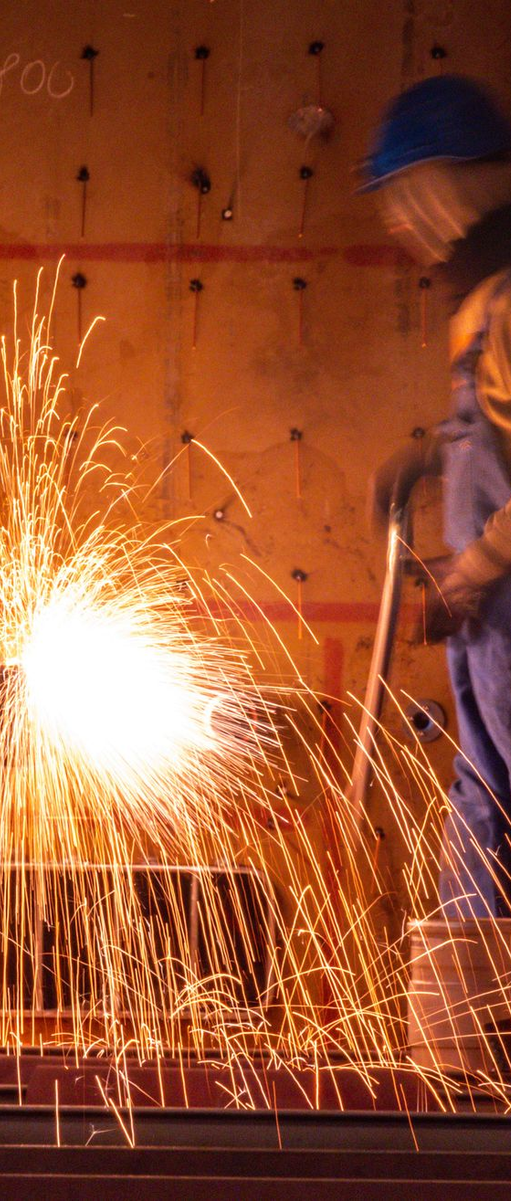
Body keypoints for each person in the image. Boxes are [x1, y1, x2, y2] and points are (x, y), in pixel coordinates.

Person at [366, 75, 511, 919]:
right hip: (494, 628)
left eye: (396, 196)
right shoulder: (483, 303)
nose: (392, 223)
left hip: (502, 607)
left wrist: (476, 567)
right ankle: (461, 1038)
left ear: (440, 184)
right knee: (486, 806)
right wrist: (434, 454)